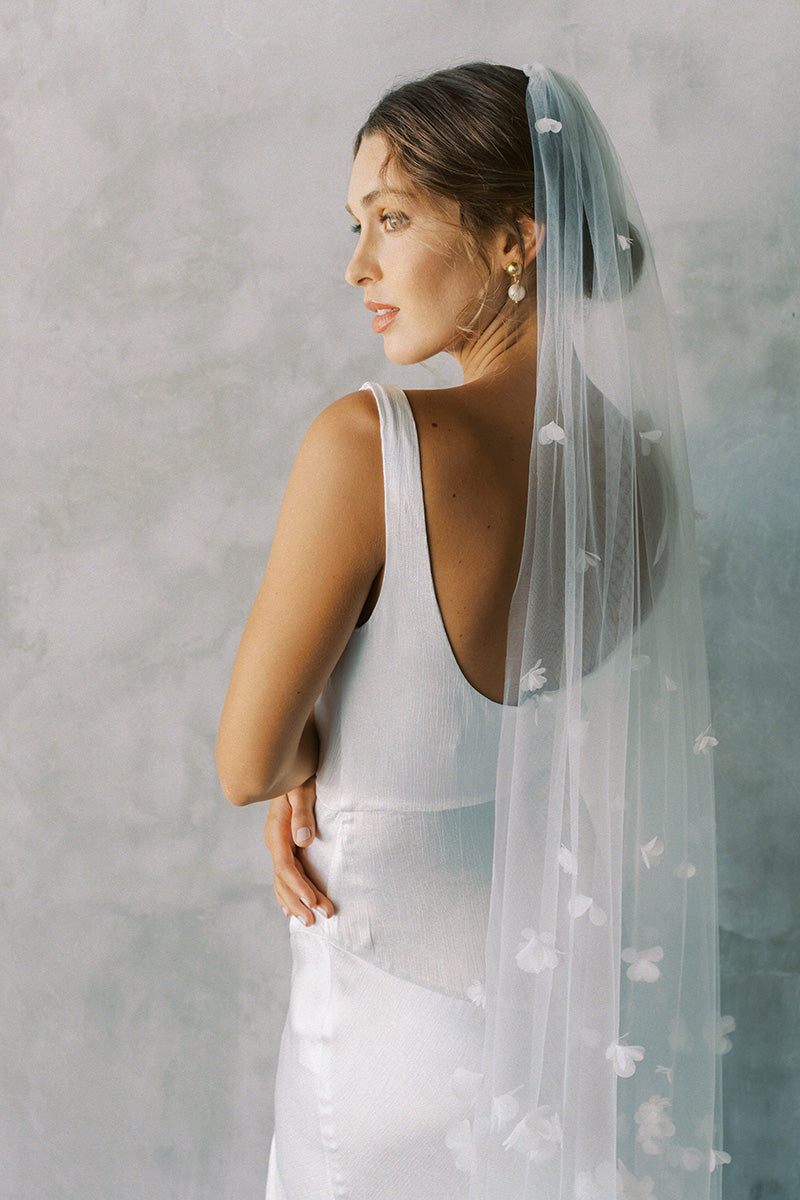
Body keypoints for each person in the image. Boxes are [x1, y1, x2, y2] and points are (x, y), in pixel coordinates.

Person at [216, 63, 724, 1200]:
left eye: (391, 220)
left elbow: (246, 763)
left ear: (516, 240)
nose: (357, 267)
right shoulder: (638, 473)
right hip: (547, 1025)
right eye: (355, 226)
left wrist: (310, 759)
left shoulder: (369, 442)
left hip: (386, 1016)